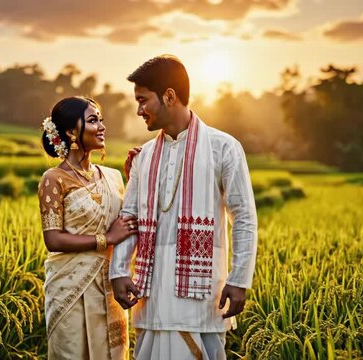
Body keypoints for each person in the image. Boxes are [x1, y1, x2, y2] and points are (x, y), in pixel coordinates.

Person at [110, 55, 258, 359]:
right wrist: (119, 270)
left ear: (169, 96)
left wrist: (240, 279)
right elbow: (130, 216)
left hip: (201, 297)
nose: (138, 110)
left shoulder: (223, 147)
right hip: (150, 295)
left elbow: (243, 216)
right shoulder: (144, 156)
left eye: (142, 100)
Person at [38, 97, 137, 359]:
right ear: (71, 131)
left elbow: (127, 223)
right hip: (70, 291)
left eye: (101, 119)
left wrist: (134, 178)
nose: (102, 126)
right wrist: (105, 239)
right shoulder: (53, 180)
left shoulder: (113, 177)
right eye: (93, 120)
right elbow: (53, 239)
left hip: (108, 287)